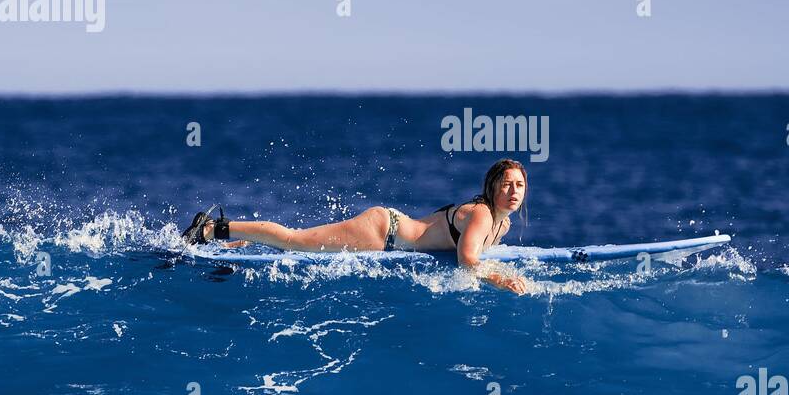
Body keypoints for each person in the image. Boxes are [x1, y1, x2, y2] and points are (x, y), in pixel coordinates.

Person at [182, 158, 530, 294]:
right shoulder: (483, 214)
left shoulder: (503, 224)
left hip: (391, 233)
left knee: (294, 242)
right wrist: (502, 279)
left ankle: (232, 240)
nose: (513, 192)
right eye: (506, 184)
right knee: (293, 240)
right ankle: (213, 228)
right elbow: (468, 260)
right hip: (384, 232)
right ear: (492, 187)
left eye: (520, 186)